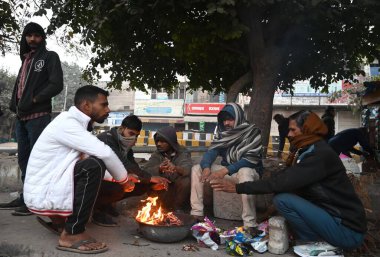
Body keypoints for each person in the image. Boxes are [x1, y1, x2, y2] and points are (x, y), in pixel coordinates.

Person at [211, 110, 366, 252]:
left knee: (283, 200)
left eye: (293, 130)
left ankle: (315, 242)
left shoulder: (320, 155)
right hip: (335, 220)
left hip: (347, 231)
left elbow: (281, 182)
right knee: (284, 197)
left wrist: (237, 187)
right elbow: (284, 178)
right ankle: (315, 241)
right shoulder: (308, 151)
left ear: (307, 130)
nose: (289, 134)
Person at [23, 85, 138, 254]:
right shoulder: (67, 123)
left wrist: (117, 178)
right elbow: (105, 153)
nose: (108, 109)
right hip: (43, 191)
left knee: (92, 165)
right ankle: (72, 233)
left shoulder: (76, 124)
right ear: (86, 106)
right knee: (94, 165)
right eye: (104, 105)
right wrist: (124, 180)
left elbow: (84, 158)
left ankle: (62, 222)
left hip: (49, 186)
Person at [0, 22, 63, 215]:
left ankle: (36, 201)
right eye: (29, 36)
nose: (32, 39)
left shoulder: (49, 57)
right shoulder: (26, 59)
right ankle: (26, 197)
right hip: (22, 117)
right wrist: (15, 106)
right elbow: (20, 87)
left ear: (42, 38)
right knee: (24, 159)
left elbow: (56, 84)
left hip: (38, 116)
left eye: (36, 36)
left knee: (38, 160)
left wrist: (34, 99)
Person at [190, 102, 263, 231]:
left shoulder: (253, 132)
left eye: (230, 119)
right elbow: (212, 151)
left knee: (245, 171)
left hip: (248, 173)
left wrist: (225, 170)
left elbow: (250, 160)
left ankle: (250, 223)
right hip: (228, 172)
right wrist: (206, 167)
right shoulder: (223, 134)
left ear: (239, 117)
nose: (226, 123)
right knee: (197, 169)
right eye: (223, 120)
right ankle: (197, 214)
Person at [93, 115, 170, 226]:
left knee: (141, 185)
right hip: (96, 179)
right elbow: (123, 163)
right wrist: (150, 177)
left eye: (136, 135)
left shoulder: (126, 148)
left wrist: (151, 183)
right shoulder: (106, 139)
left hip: (114, 178)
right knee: (120, 187)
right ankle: (97, 210)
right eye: (131, 133)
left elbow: (134, 167)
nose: (133, 138)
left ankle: (106, 205)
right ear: (122, 129)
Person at [143, 126, 192, 212]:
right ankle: (157, 207)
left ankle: (178, 208)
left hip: (176, 190)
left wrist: (175, 168)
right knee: (149, 180)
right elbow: (146, 170)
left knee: (186, 181)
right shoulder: (157, 154)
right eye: (157, 141)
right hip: (162, 188)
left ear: (171, 142)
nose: (158, 144)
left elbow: (187, 169)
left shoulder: (182, 152)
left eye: (162, 142)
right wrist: (159, 168)